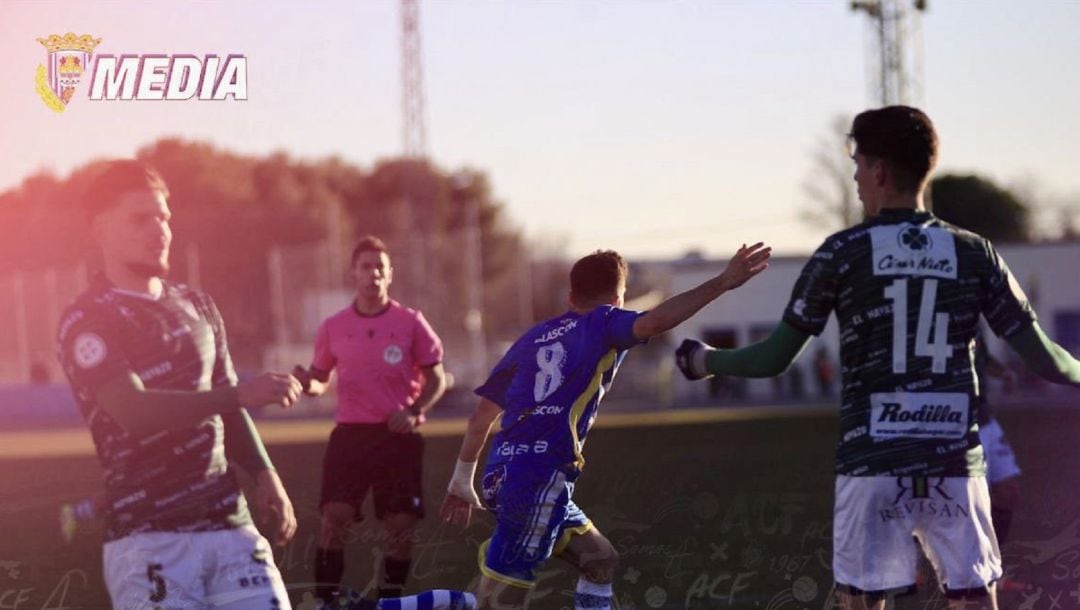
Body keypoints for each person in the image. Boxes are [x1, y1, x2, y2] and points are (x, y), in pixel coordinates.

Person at [675, 106, 1080, 610]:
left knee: (863, 602)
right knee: (975, 600)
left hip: (872, 466)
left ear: (880, 171)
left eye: (858, 164)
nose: (855, 177)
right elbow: (1046, 360)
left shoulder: (842, 253)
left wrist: (705, 360)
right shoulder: (975, 252)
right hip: (953, 463)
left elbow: (773, 358)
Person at [433, 244, 770, 610]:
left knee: (599, 560)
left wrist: (461, 480)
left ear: (570, 295)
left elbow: (480, 416)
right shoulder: (604, 321)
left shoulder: (532, 338)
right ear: (617, 298)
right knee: (495, 604)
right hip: (537, 480)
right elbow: (654, 322)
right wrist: (722, 281)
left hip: (503, 473)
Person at [56, 160, 302, 609]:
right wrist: (239, 394)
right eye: (140, 219)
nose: (159, 230)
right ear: (101, 229)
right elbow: (133, 411)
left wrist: (267, 476)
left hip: (232, 528)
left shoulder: (197, 304)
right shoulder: (87, 319)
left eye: (164, 217)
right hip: (148, 540)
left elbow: (231, 406)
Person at [294, 236, 448, 606]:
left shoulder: (411, 322)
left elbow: (438, 379)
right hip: (351, 435)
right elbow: (319, 379)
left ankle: (389, 601)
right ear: (353, 273)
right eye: (366, 266)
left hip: (397, 437)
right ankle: (324, 600)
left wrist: (412, 412)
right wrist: (305, 382)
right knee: (335, 517)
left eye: (380, 267)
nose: (373, 273)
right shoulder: (333, 326)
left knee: (400, 526)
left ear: (390, 274)